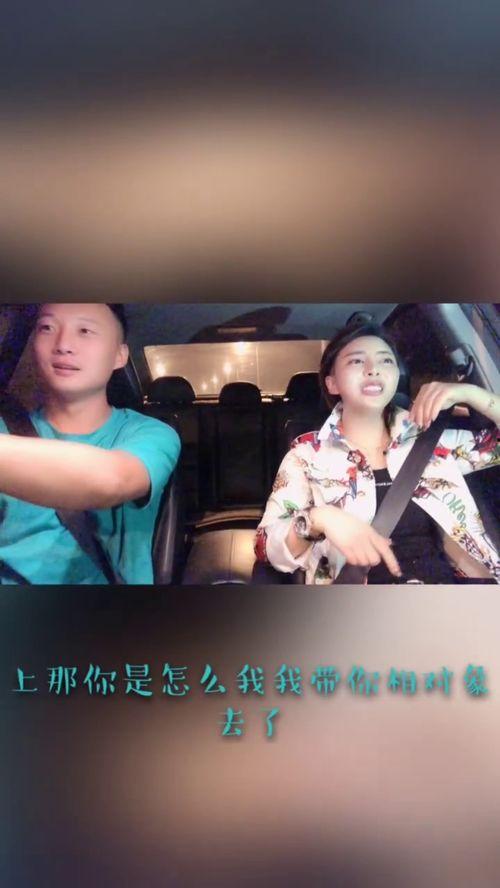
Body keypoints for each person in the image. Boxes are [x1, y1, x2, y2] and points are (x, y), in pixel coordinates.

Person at [255, 322, 500, 584]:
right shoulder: (307, 454)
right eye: (356, 361)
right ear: (332, 383)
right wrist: (318, 519)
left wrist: (470, 393)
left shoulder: (430, 439)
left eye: (386, 361)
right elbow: (264, 547)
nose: (373, 369)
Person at [0, 303, 180, 584]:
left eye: (85, 330)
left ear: (119, 355)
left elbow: (113, 480)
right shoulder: (6, 431)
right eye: (47, 327)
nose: (63, 345)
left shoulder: (150, 433)